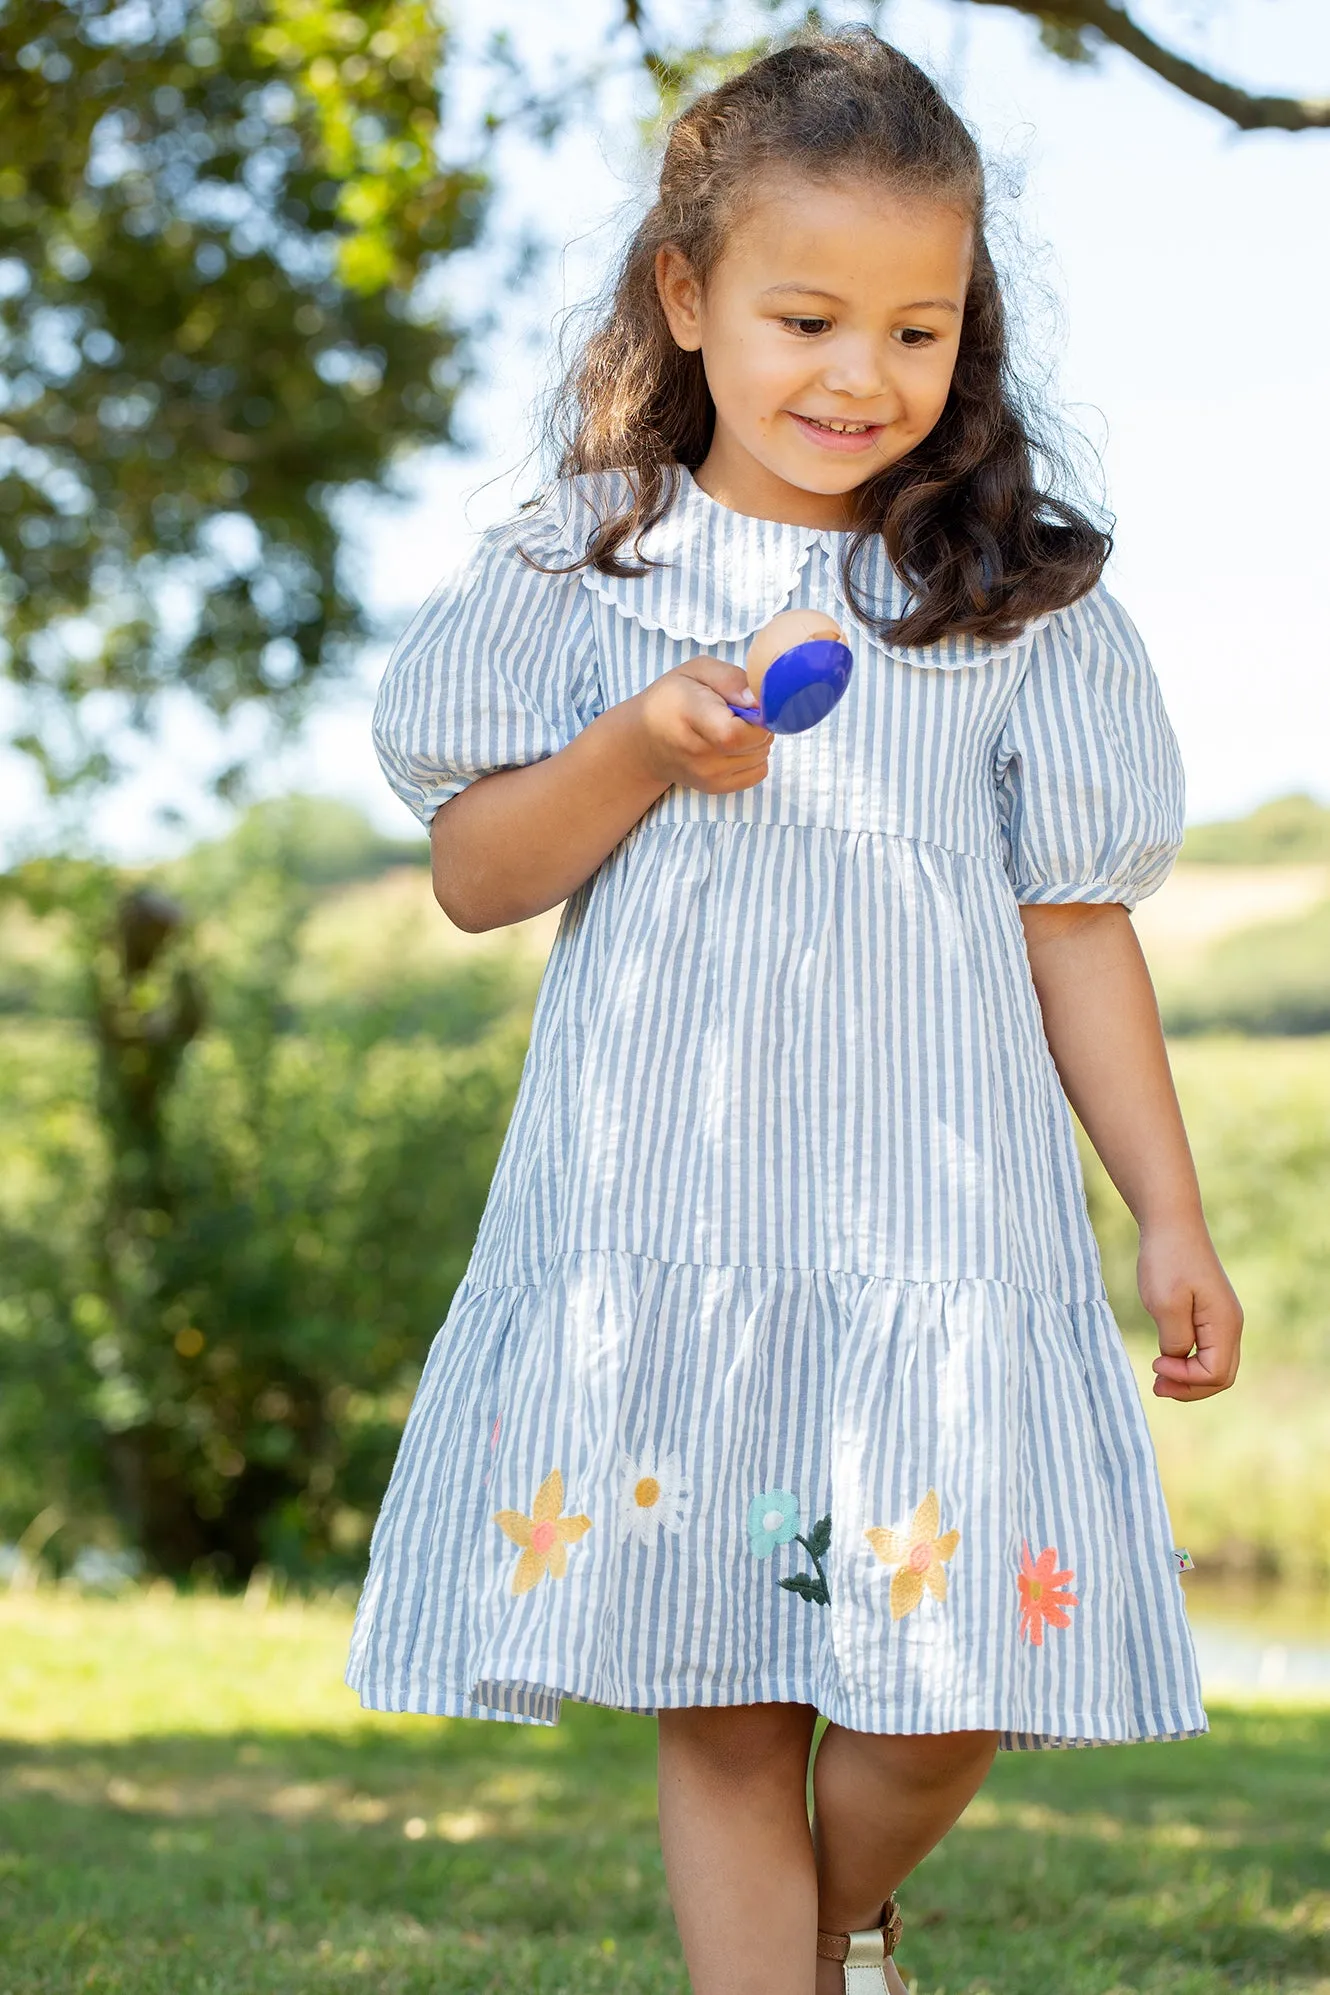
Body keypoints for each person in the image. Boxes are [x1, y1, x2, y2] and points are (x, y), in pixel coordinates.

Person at [346, 30, 1243, 1995]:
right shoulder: (590, 569)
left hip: (943, 1229)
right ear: (687, 298)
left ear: (964, 330)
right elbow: (479, 874)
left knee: (947, 1688)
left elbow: (1074, 929)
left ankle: (840, 1911)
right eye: (806, 316)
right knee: (728, 1689)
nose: (859, 377)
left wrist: (1166, 1216)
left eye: (914, 330)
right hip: (681, 1220)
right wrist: (639, 747)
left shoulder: (1008, 604)